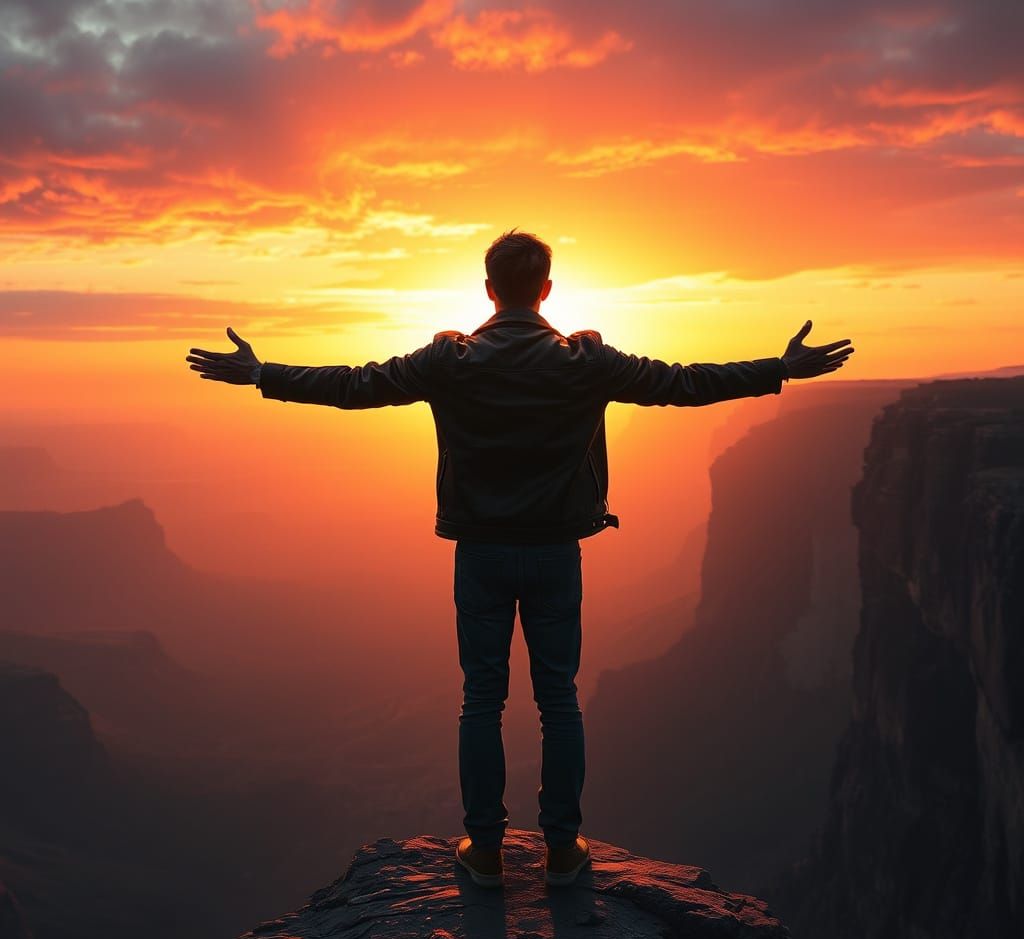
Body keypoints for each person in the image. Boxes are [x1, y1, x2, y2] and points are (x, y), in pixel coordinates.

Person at [185, 229, 854, 889]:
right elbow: (682, 383)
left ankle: (485, 850)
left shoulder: (450, 360)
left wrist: (262, 374)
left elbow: (358, 385)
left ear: (488, 289)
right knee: (558, 700)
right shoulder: (585, 361)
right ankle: (563, 851)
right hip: (556, 552)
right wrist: (781, 368)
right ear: (546, 290)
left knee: (482, 700)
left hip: (480, 552)